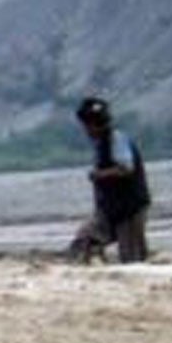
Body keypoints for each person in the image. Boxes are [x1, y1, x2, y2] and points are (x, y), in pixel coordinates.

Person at [68, 96, 150, 265]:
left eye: (86, 126)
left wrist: (100, 175)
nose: (86, 130)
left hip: (130, 208)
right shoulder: (101, 143)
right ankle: (92, 268)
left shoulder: (116, 139)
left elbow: (126, 168)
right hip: (110, 209)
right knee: (84, 239)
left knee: (132, 258)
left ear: (93, 125)